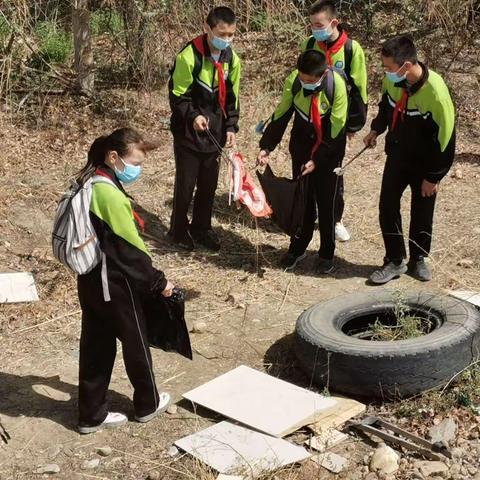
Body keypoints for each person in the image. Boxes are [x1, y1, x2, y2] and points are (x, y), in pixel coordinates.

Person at [75, 128, 173, 434]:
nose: (137, 169)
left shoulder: (90, 181)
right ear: (113, 157)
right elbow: (129, 252)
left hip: (90, 280)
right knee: (136, 342)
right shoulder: (109, 195)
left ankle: (91, 414)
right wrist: (159, 282)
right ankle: (147, 403)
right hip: (114, 282)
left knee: (96, 344)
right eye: (135, 162)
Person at [364, 35, 455, 284]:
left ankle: (418, 259)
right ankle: (394, 260)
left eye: (389, 67)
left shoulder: (436, 93)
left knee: (422, 210)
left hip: (425, 164)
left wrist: (433, 177)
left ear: (405, 66)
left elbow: (446, 140)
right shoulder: (393, 80)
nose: (385, 72)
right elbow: (386, 106)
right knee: (387, 206)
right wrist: (376, 129)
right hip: (397, 155)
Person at [257, 49, 348, 274]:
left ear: (323, 73)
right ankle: (297, 248)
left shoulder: (336, 86)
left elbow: (337, 131)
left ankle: (327, 254)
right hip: (301, 148)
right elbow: (282, 114)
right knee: (303, 200)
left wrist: (318, 160)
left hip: (328, 151)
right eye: (302, 78)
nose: (304, 82)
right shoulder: (294, 82)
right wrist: (266, 146)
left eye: (310, 80)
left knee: (327, 203)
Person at [168, 6, 241, 252]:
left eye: (231, 34)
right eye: (222, 33)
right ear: (207, 28)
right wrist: (193, 116)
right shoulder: (189, 56)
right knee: (186, 185)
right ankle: (178, 230)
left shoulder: (232, 59)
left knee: (208, 185)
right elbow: (178, 96)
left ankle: (201, 229)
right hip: (188, 133)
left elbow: (233, 97)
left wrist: (230, 126)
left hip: (215, 133)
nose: (227, 39)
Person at [301, 0, 368, 242]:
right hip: (312, 118)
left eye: (319, 25)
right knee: (309, 165)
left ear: (333, 23)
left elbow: (360, 89)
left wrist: (352, 127)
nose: (315, 30)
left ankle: (335, 218)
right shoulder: (310, 44)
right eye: (312, 25)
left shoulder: (351, 49)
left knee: (333, 170)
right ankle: (307, 214)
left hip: (337, 119)